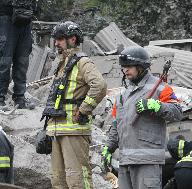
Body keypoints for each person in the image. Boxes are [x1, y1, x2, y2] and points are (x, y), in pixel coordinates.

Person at [102, 46, 183, 189]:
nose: (125, 70)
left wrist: (157, 106)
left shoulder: (161, 89)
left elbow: (177, 112)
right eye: (123, 67)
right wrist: (108, 148)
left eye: (129, 66)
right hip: (125, 161)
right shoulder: (122, 96)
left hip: (148, 161)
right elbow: (117, 125)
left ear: (141, 66)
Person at [44, 21, 107, 188]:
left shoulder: (82, 62)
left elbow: (99, 85)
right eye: (55, 39)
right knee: (58, 180)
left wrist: (85, 108)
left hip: (74, 130)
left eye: (59, 39)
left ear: (72, 39)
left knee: (77, 179)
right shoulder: (62, 64)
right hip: (57, 129)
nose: (56, 43)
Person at [0, 0, 38, 108]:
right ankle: (0, 98)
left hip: (26, 18)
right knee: (4, 62)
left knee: (22, 61)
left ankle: (20, 98)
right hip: (6, 17)